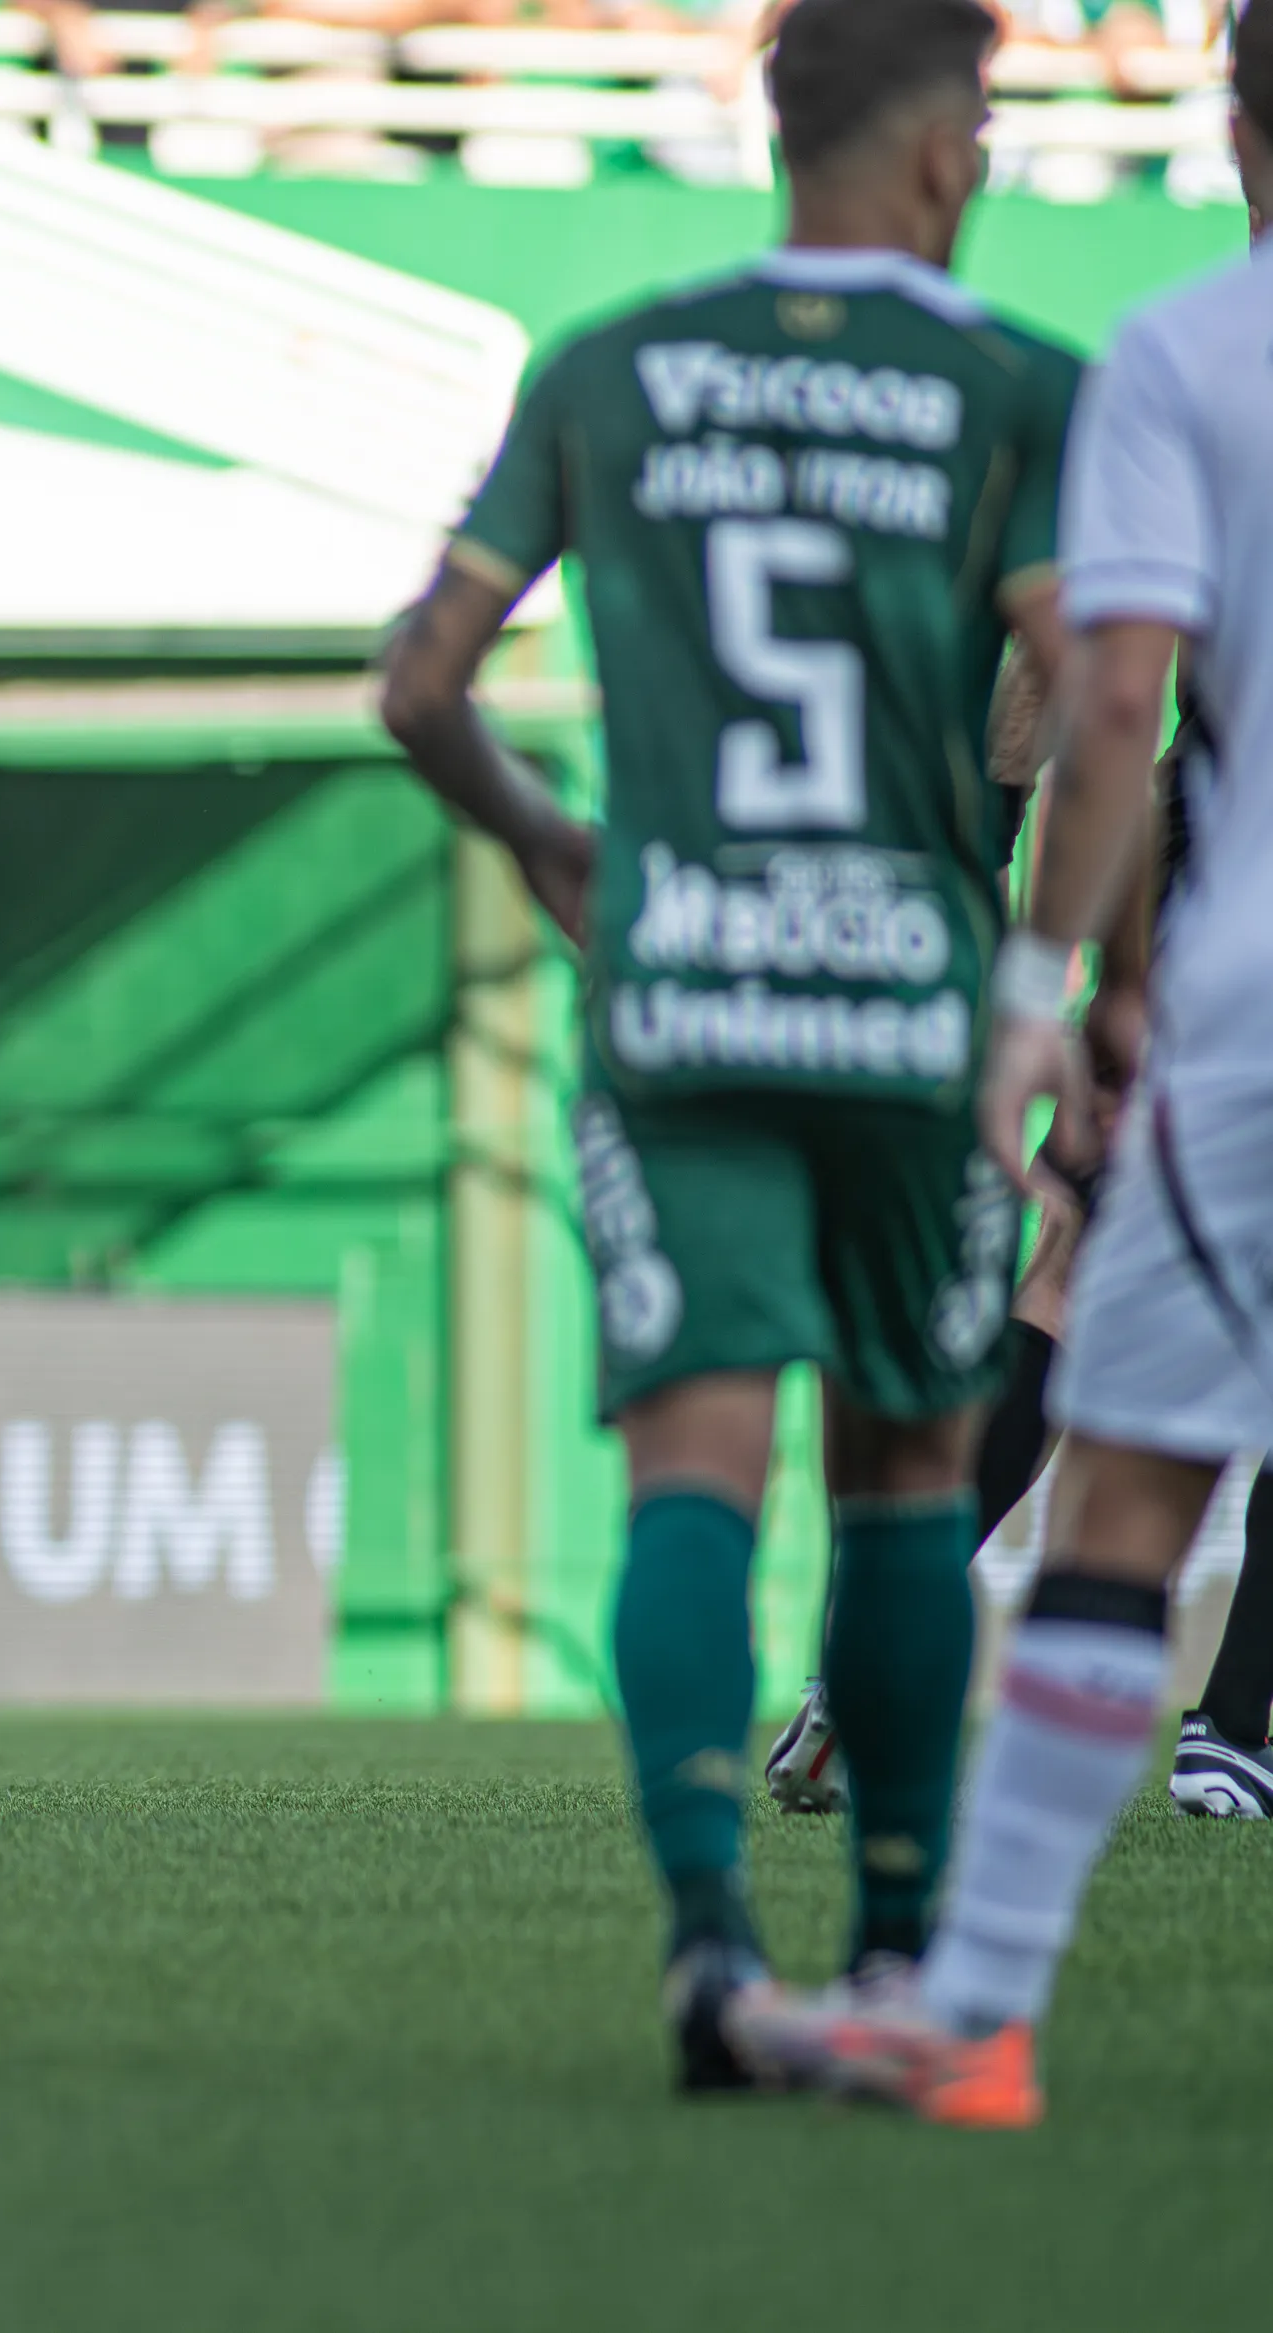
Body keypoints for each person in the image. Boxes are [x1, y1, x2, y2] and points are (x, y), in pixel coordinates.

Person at [377, 0, 1080, 2090]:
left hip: (682, 987)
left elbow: (419, 682)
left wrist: (551, 843)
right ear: (947, 141)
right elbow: (1087, 708)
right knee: (903, 1470)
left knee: (692, 1467)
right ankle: (893, 1968)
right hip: (909, 1008)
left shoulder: (606, 366)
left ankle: (707, 1953)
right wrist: (1043, 975)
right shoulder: (1021, 390)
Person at [733, 8, 1273, 2123]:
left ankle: (967, 1992)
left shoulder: (1173, 355)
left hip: (1235, 982)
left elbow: (1102, 699)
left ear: (1230, 112)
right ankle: (1235, 1734)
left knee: (1123, 1449)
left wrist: (1051, 973)